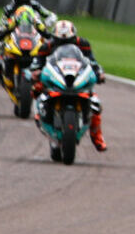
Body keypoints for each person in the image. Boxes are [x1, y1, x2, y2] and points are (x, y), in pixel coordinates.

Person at [31, 19, 108, 151]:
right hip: (55, 78)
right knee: (36, 89)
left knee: (95, 101)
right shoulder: (46, 46)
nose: (64, 44)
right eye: (60, 41)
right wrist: (36, 72)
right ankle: (39, 114)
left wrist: (99, 73)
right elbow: (36, 63)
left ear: (74, 37)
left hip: (76, 78)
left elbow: (92, 62)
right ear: (55, 38)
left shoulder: (83, 44)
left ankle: (97, 138)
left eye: (68, 41)